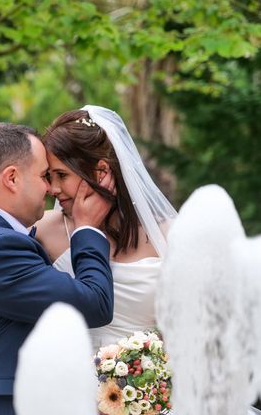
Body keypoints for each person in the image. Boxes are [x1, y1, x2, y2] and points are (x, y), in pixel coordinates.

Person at [0, 122, 115, 415]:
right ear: (12, 178)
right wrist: (87, 230)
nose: (52, 189)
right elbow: (95, 303)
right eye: (44, 176)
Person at [36, 105, 177, 349]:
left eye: (62, 175)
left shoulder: (167, 234)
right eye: (49, 177)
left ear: (101, 171)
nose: (53, 189)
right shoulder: (44, 230)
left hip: (148, 382)